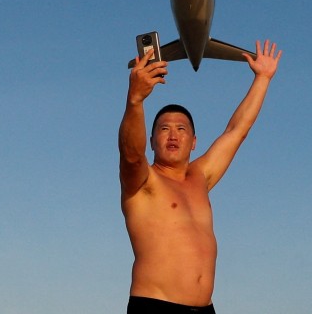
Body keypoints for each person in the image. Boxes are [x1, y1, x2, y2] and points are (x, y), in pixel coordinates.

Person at [119, 40, 282, 313]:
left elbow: (236, 131)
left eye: (181, 129)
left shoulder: (200, 177)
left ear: (194, 142)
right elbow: (131, 155)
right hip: (156, 305)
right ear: (151, 141)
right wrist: (135, 100)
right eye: (164, 129)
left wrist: (263, 79)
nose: (173, 135)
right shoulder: (143, 182)